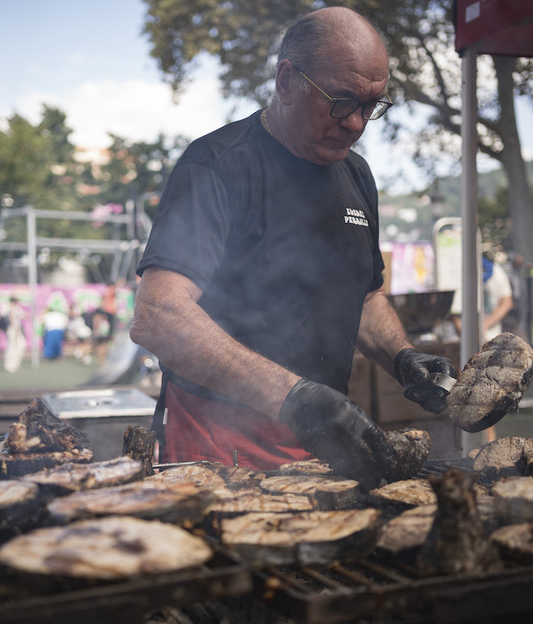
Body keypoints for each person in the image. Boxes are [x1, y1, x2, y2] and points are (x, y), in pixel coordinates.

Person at [130, 7, 456, 485]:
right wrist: (295, 397)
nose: (357, 124)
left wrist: (403, 358)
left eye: (371, 106)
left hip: (326, 441)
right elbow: (158, 314)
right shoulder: (216, 165)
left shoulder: (357, 174)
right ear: (286, 81)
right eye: (342, 102)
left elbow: (365, 297)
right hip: (218, 447)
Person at [2, 296, 27, 373]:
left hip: (15, 329)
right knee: (13, 346)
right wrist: (16, 330)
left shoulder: (15, 309)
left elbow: (23, 315)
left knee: (18, 345)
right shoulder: (10, 308)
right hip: (13, 329)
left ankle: (14, 364)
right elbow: (12, 318)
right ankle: (10, 365)